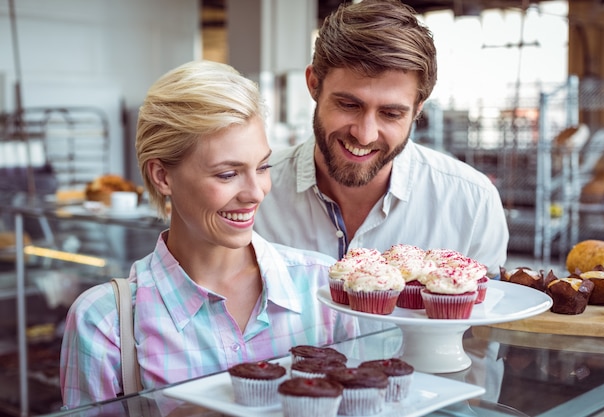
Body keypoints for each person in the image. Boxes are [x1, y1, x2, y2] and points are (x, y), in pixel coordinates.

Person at [59, 60, 357, 409]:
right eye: (228, 174)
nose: (255, 192)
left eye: (262, 167)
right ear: (162, 176)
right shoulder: (105, 323)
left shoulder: (325, 288)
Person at [254, 0, 509, 278]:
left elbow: (487, 315)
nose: (365, 134)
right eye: (349, 105)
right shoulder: (254, 195)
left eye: (390, 113)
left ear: (417, 109)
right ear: (314, 84)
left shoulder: (471, 203)